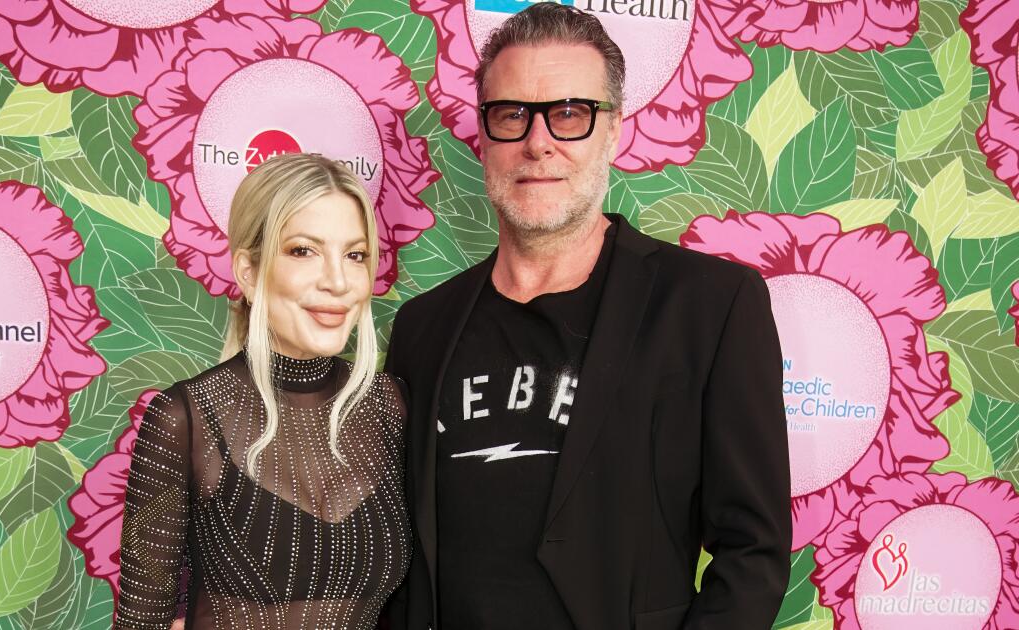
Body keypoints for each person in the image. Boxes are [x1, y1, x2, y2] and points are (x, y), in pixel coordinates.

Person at [385, 4, 791, 629]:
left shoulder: (710, 306)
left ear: (615, 130)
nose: (538, 142)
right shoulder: (422, 327)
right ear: (484, 135)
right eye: (512, 114)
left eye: (570, 114)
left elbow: (753, 553)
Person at [115, 153, 410, 630]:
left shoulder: (391, 407)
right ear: (249, 271)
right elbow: (139, 622)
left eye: (354, 255)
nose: (338, 281)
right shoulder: (186, 418)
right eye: (303, 250)